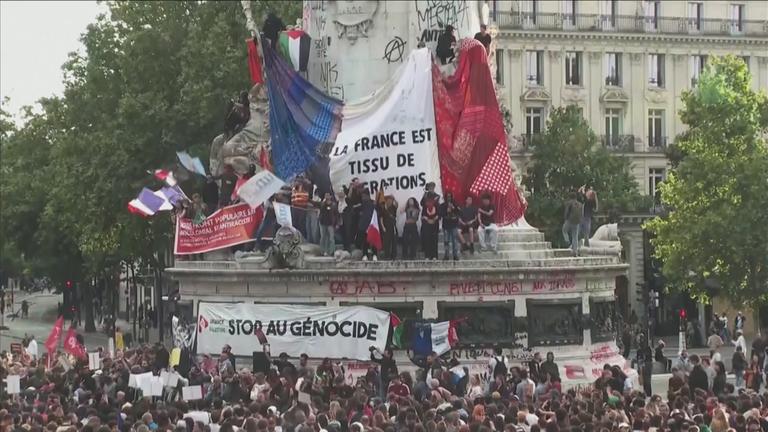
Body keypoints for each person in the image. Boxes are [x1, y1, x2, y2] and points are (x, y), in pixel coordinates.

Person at [357, 190, 378, 261]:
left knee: (374, 241)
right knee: (365, 241)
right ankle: (365, 255)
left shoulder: (373, 203)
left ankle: (375, 255)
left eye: (364, 196)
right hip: (364, 226)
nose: (363, 197)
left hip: (372, 225)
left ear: (367, 196)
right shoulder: (362, 204)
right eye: (362, 196)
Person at [439, 192, 460, 261]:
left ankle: (455, 255)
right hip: (446, 225)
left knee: (455, 241)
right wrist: (446, 211)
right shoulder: (442, 205)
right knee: (446, 241)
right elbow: (441, 214)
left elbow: (459, 212)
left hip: (454, 225)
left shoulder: (455, 204)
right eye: (447, 197)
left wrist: (453, 208)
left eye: (450, 197)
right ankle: (446, 255)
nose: (449, 198)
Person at [562, 191, 583, 256]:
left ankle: (567, 240)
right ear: (576, 197)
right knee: (575, 237)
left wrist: (565, 218)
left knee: (564, 230)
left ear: (570, 197)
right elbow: (582, 213)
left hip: (569, 220)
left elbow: (567, 211)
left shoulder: (569, 203)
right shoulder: (580, 204)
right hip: (577, 222)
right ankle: (575, 251)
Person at [379, 194, 398, 260]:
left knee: (394, 241)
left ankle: (394, 256)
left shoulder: (393, 207)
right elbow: (381, 218)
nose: (389, 201)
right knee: (387, 242)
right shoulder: (383, 208)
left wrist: (393, 197)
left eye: (391, 200)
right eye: (388, 199)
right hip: (386, 227)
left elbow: (396, 204)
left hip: (393, 226)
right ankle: (387, 256)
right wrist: (383, 227)